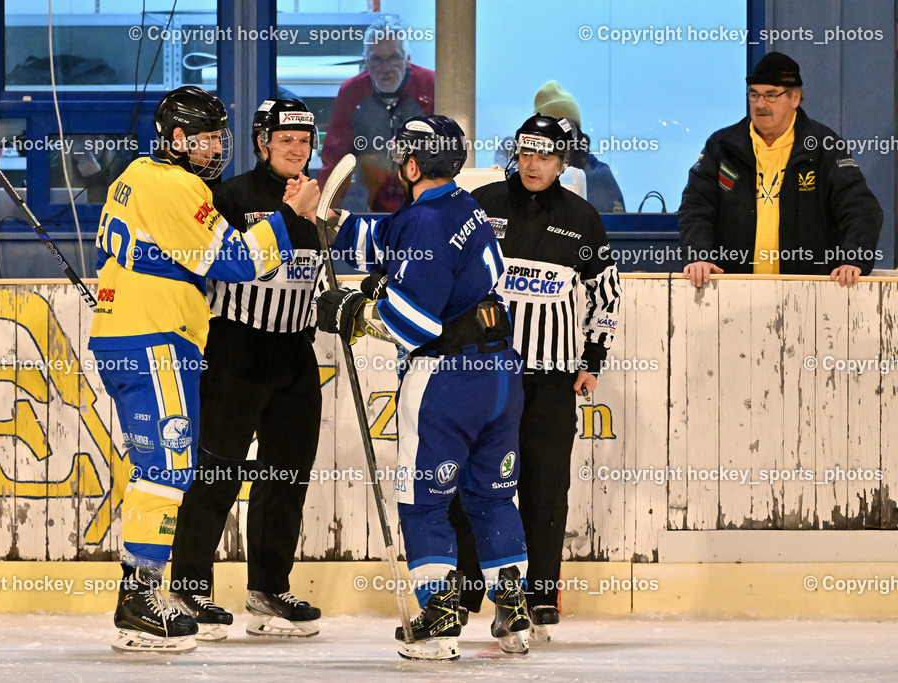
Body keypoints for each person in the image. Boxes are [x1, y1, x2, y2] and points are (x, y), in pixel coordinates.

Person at [88, 86, 319, 653]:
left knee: (157, 466)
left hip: (127, 332)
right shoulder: (177, 185)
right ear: (176, 138)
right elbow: (237, 260)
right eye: (206, 138)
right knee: (167, 467)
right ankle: (140, 600)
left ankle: (143, 593)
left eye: (219, 137)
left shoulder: (136, 175)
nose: (215, 147)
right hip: (155, 336)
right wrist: (290, 216)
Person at [314, 115, 531, 660]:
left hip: (446, 380)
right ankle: (513, 610)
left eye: (402, 158)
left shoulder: (424, 222)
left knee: (423, 502)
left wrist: (353, 312)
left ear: (412, 164)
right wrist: (333, 222)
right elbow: (393, 239)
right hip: (500, 374)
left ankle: (438, 620)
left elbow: (411, 323)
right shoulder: (464, 205)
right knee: (492, 495)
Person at [454, 114, 622, 643]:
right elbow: (451, 274)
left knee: (545, 487)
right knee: (473, 482)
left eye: (545, 156)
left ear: (562, 162)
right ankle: (464, 591)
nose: (533, 164)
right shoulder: (482, 205)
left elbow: (607, 293)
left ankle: (540, 595)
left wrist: (592, 358)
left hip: (550, 379)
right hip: (484, 372)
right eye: (526, 153)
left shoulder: (581, 217)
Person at [169, 99, 325, 641]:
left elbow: (317, 276)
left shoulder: (317, 201)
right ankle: (189, 589)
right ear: (262, 143)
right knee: (216, 476)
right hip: (236, 354)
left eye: (303, 140)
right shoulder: (229, 196)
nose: (296, 148)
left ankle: (268, 590)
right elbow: (203, 264)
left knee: (286, 478)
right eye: (285, 139)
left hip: (295, 357)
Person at [679, 51, 883, 288]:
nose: (760, 104)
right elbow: (696, 206)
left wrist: (854, 260)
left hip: (809, 292)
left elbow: (861, 208)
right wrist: (699, 256)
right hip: (732, 289)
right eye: (754, 95)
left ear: (795, 98)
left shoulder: (824, 147)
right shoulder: (722, 146)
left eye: (771, 95)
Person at [318, 15, 434, 213]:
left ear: (408, 59)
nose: (386, 69)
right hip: (369, 203)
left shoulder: (431, 85)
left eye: (394, 57)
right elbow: (335, 162)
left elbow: (447, 155)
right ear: (366, 62)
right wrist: (322, 212)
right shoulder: (352, 92)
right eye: (376, 59)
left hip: (424, 203)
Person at [532, 80, 625, 213]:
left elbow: (616, 224)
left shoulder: (599, 175)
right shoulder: (525, 173)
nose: (562, 138)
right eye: (553, 131)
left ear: (578, 133)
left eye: (569, 129)